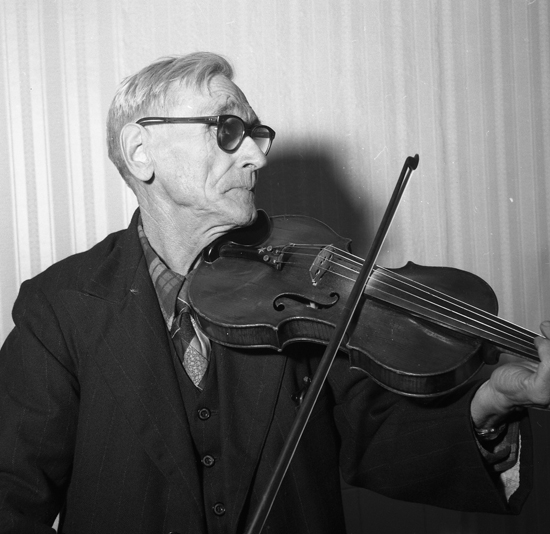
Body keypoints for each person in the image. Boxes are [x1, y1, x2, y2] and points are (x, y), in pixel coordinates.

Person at [1, 52, 549, 534]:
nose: (258, 158)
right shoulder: (59, 307)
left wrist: (490, 403)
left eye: (256, 135)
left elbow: (378, 434)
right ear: (141, 150)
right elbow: (10, 496)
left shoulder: (303, 292)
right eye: (227, 130)